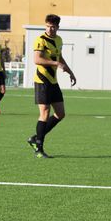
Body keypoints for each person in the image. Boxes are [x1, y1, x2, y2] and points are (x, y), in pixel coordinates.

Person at [27, 14, 76, 158]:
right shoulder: (40, 40)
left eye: (53, 27)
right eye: (47, 26)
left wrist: (70, 72)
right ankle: (39, 149)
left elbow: (59, 57)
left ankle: (35, 138)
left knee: (60, 113)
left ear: (57, 27)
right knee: (44, 113)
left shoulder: (59, 40)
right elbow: (37, 59)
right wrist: (56, 63)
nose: (49, 29)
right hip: (42, 80)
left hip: (53, 81)